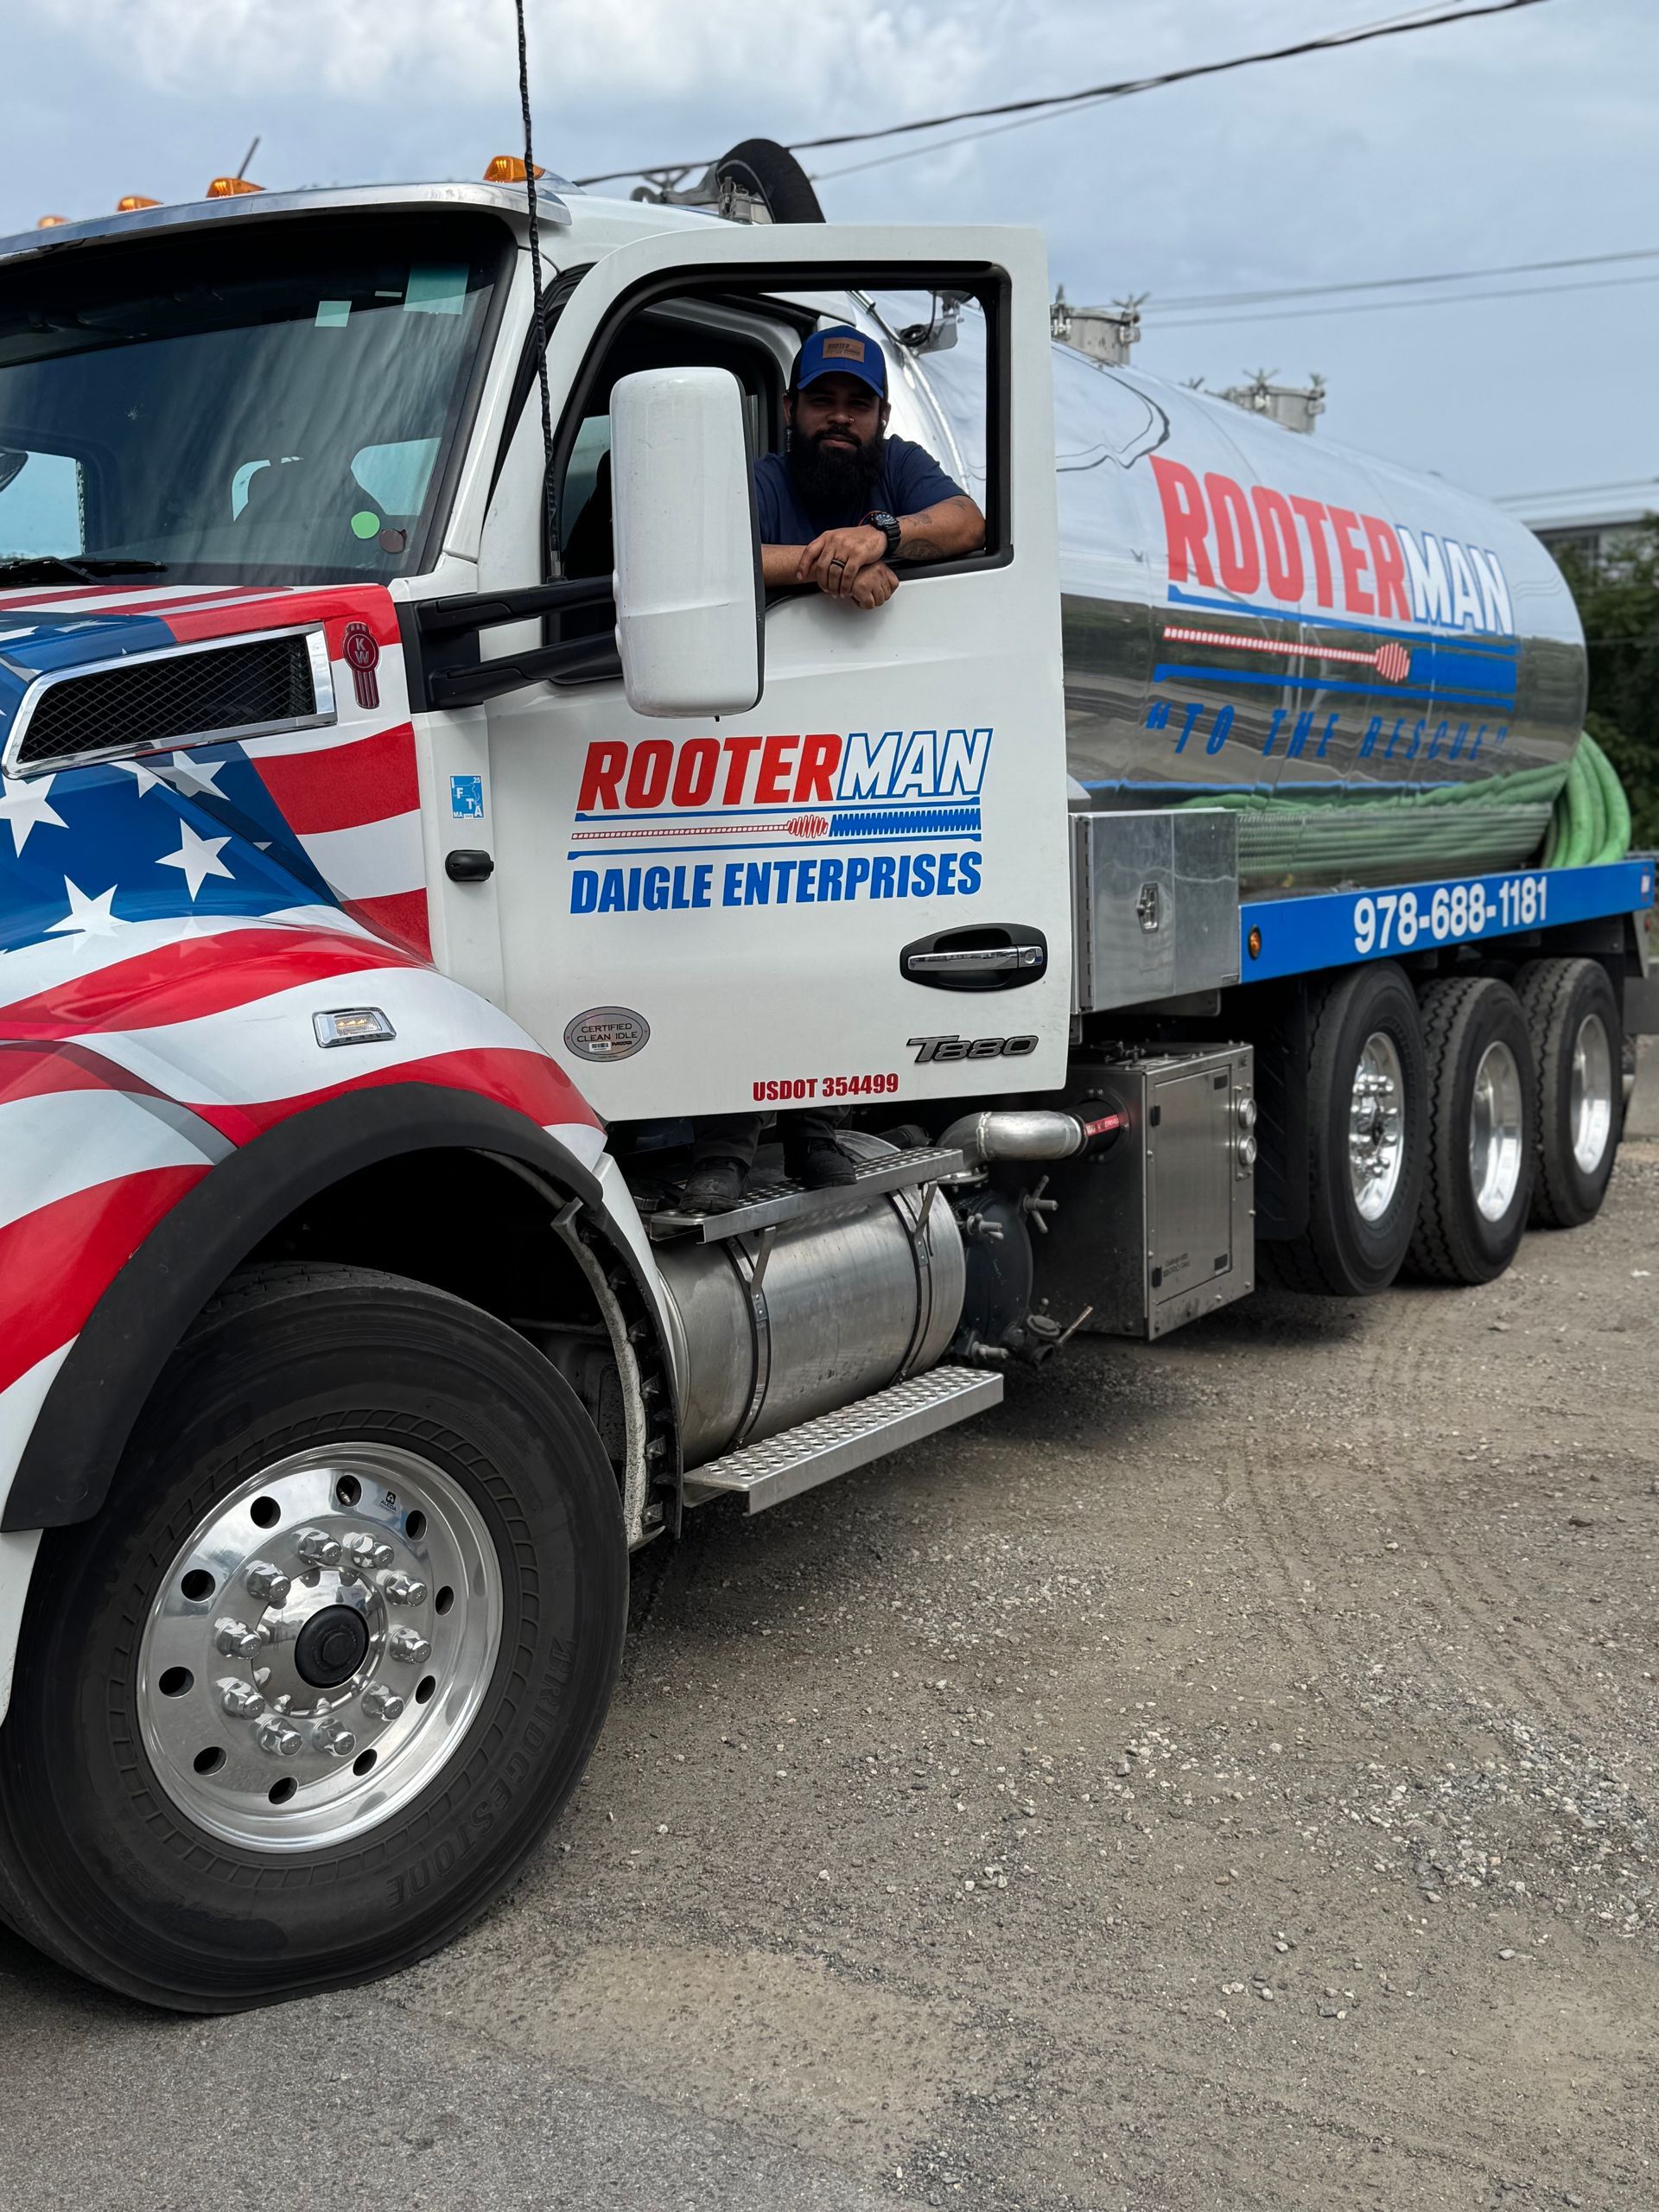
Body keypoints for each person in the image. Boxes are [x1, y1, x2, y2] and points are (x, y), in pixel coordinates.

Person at [680, 327, 985, 1213]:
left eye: (857, 405)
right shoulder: (764, 481)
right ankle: (725, 1147)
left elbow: (967, 522)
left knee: (828, 948)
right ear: (791, 410)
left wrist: (881, 537)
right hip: (744, 763)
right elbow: (707, 558)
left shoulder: (899, 472)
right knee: (734, 949)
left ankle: (817, 1133)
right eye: (823, 402)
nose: (839, 420)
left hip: (855, 769)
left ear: (882, 417)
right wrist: (831, 567)